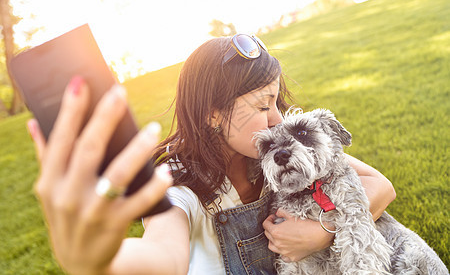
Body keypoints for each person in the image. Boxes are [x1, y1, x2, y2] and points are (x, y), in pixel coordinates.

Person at [28, 34, 396, 275]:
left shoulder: (278, 152)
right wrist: (95, 261)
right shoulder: (180, 186)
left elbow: (380, 185)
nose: (277, 120)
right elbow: (163, 258)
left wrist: (322, 231)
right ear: (213, 114)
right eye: (262, 105)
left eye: (276, 102)